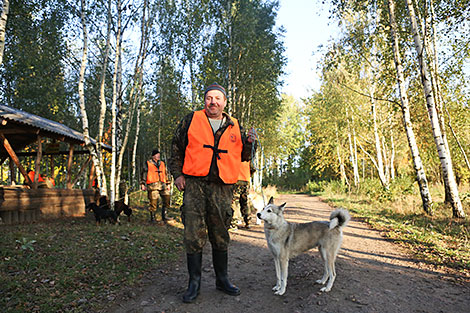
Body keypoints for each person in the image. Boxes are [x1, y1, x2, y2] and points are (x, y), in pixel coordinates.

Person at [170, 83, 256, 303]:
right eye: (209, 98)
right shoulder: (190, 120)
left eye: (218, 98)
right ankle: (194, 283)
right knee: (193, 233)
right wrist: (178, 174)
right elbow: (176, 148)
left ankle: (222, 279)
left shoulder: (234, 124)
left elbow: (245, 156)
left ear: (224, 102)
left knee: (220, 232)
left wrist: (250, 142)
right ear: (204, 100)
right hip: (194, 185)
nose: (213, 102)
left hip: (223, 187)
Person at [140, 149, 172, 224]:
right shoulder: (148, 163)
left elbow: (166, 173)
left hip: (163, 184)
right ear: (153, 156)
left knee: (167, 198)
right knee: (153, 202)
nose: (158, 156)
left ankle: (164, 216)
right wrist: (142, 184)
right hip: (152, 185)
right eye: (157, 155)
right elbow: (144, 173)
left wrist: (168, 183)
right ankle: (153, 218)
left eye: (159, 154)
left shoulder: (162, 163)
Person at [231, 161, 253, 229]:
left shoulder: (233, 154)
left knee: (235, 202)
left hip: (236, 180)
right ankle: (248, 222)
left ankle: (234, 224)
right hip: (246, 180)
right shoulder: (247, 155)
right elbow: (252, 168)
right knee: (245, 201)